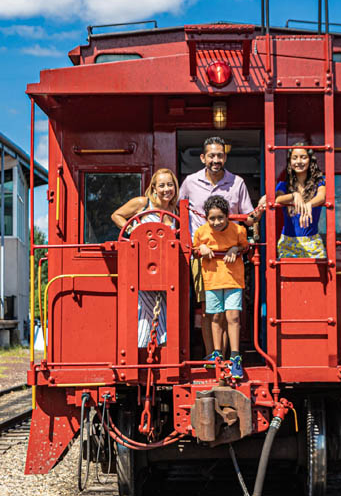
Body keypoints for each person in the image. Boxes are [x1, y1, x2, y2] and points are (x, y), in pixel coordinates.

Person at [179, 137, 264, 356]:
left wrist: (263, 207)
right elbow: (178, 213)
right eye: (211, 155)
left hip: (229, 255)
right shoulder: (190, 182)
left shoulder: (237, 183)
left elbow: (248, 218)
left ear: (225, 157)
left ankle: (226, 358)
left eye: (219, 155)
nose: (215, 160)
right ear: (203, 158)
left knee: (229, 311)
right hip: (202, 255)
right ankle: (212, 356)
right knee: (209, 311)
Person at [111, 168, 179, 346]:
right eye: (162, 185)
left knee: (155, 312)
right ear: (154, 188)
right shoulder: (143, 203)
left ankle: (150, 350)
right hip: (142, 267)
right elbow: (116, 215)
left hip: (166, 270)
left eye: (170, 185)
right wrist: (133, 231)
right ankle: (154, 346)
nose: (166, 189)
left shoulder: (175, 211)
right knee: (152, 309)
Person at [192, 195, 249, 379]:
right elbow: (194, 249)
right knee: (215, 317)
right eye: (212, 218)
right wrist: (201, 248)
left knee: (233, 316)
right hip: (212, 279)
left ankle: (235, 356)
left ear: (227, 216)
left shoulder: (238, 231)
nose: (216, 222)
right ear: (206, 218)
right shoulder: (201, 232)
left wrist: (235, 249)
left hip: (233, 279)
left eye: (220, 218)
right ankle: (217, 354)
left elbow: (245, 247)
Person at [256, 145, 327, 258]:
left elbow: (322, 196)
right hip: (288, 243)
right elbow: (278, 199)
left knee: (319, 275)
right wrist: (294, 195)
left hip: (312, 242)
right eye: (295, 158)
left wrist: (308, 204)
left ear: (310, 160)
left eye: (303, 157)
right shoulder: (284, 185)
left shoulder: (320, 182)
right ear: (290, 162)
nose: (299, 161)